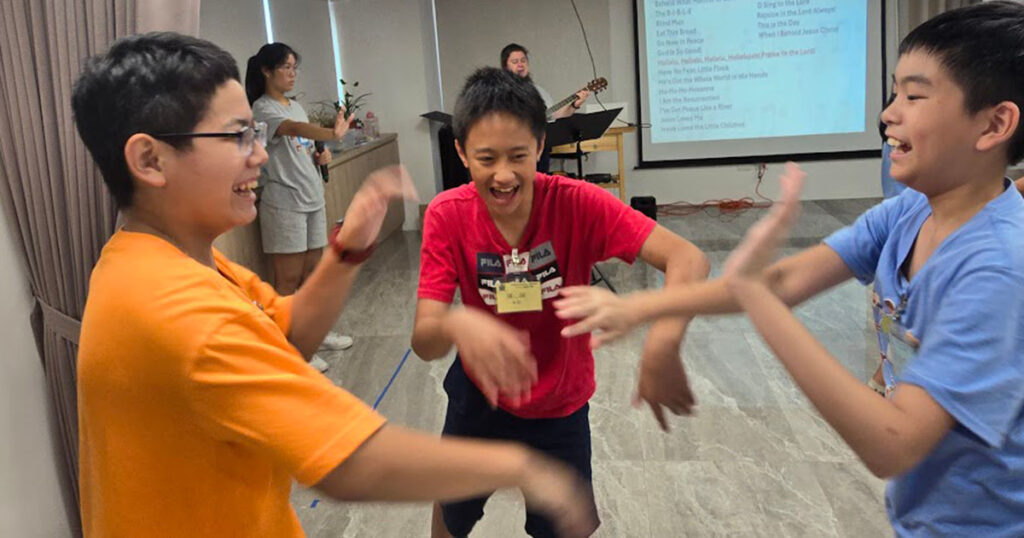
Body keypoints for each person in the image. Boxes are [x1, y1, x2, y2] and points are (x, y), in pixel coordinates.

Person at [71, 32, 598, 538]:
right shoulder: (172, 311)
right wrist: (525, 465)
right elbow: (349, 463)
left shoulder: (169, 264)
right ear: (149, 160)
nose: (259, 153)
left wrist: (347, 253)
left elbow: (286, 337)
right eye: (237, 135)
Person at [555, 3, 1024, 535]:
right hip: (927, 515)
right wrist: (640, 306)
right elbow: (782, 282)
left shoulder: (999, 268)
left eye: (914, 96)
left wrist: (758, 300)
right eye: (894, 93)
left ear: (994, 124)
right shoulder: (910, 210)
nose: (888, 113)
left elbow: (893, 444)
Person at [411, 67, 709, 538]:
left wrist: (662, 345)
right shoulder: (448, 216)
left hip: (559, 405)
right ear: (461, 152)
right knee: (449, 519)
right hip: (477, 400)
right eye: (486, 158)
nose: (504, 175)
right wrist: (455, 327)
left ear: (541, 146)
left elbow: (687, 259)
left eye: (518, 156)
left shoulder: (577, 203)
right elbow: (425, 341)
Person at [246, 42, 353, 371]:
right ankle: (291, 347)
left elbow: (300, 142)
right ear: (267, 71)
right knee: (288, 280)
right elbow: (290, 130)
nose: (292, 74)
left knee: (312, 274)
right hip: (284, 202)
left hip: (310, 197)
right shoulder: (263, 109)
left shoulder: (295, 106)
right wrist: (331, 133)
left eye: (295, 68)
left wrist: (321, 153)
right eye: (286, 67)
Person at [501, 43, 590, 173]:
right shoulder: (499, 92)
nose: (520, 64)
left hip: (539, 152)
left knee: (540, 188)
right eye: (515, 61)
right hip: (513, 153)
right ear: (505, 67)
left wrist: (574, 105)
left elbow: (553, 115)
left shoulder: (539, 92)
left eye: (523, 60)